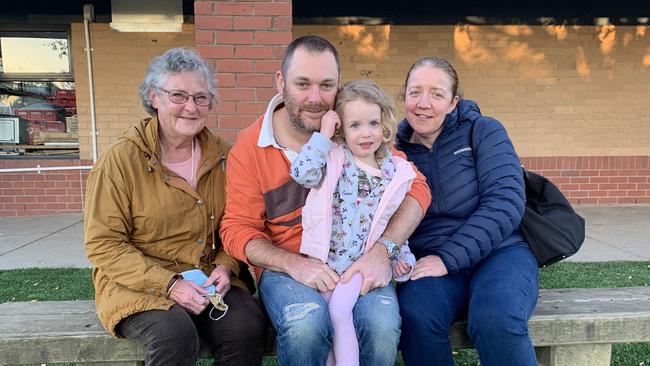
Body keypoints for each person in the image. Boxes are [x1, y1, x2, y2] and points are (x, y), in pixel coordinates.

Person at [220, 35, 431, 366]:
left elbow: (417, 188)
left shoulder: (354, 134)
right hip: (286, 266)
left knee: (381, 325)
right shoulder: (250, 148)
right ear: (281, 81)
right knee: (306, 325)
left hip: (357, 259)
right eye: (302, 84)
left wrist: (383, 252)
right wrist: (293, 264)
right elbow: (236, 230)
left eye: (326, 85)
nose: (315, 98)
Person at [83, 47, 265, 366]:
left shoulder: (225, 156)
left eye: (200, 97)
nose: (190, 108)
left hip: (206, 279)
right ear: (154, 97)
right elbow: (103, 244)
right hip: (138, 283)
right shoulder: (121, 160)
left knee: (246, 327)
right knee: (175, 334)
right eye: (178, 95)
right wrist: (168, 284)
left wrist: (225, 267)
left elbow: (234, 225)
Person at [394, 56, 539, 366]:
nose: (423, 103)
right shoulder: (392, 153)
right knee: (415, 315)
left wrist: (448, 259)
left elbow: (506, 202)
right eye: (415, 92)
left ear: (452, 102)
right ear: (403, 96)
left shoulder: (483, 130)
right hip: (431, 260)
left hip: (500, 252)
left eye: (436, 94)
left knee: (496, 317)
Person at [291, 79, 417, 366]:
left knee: (338, 311)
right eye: (355, 125)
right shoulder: (335, 158)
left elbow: (393, 220)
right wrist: (323, 135)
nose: (366, 133)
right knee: (325, 321)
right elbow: (302, 173)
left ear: (384, 124)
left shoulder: (394, 172)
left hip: (360, 267)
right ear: (342, 130)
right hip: (327, 263)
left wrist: (401, 255)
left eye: (373, 123)